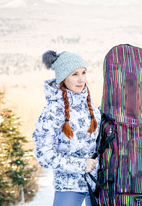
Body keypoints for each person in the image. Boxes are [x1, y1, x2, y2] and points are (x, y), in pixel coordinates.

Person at [32, 50, 101, 206]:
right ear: (63, 77)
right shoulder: (53, 111)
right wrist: (81, 165)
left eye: (83, 72)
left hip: (97, 184)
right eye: (74, 74)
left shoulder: (91, 108)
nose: (81, 79)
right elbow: (44, 154)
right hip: (69, 187)